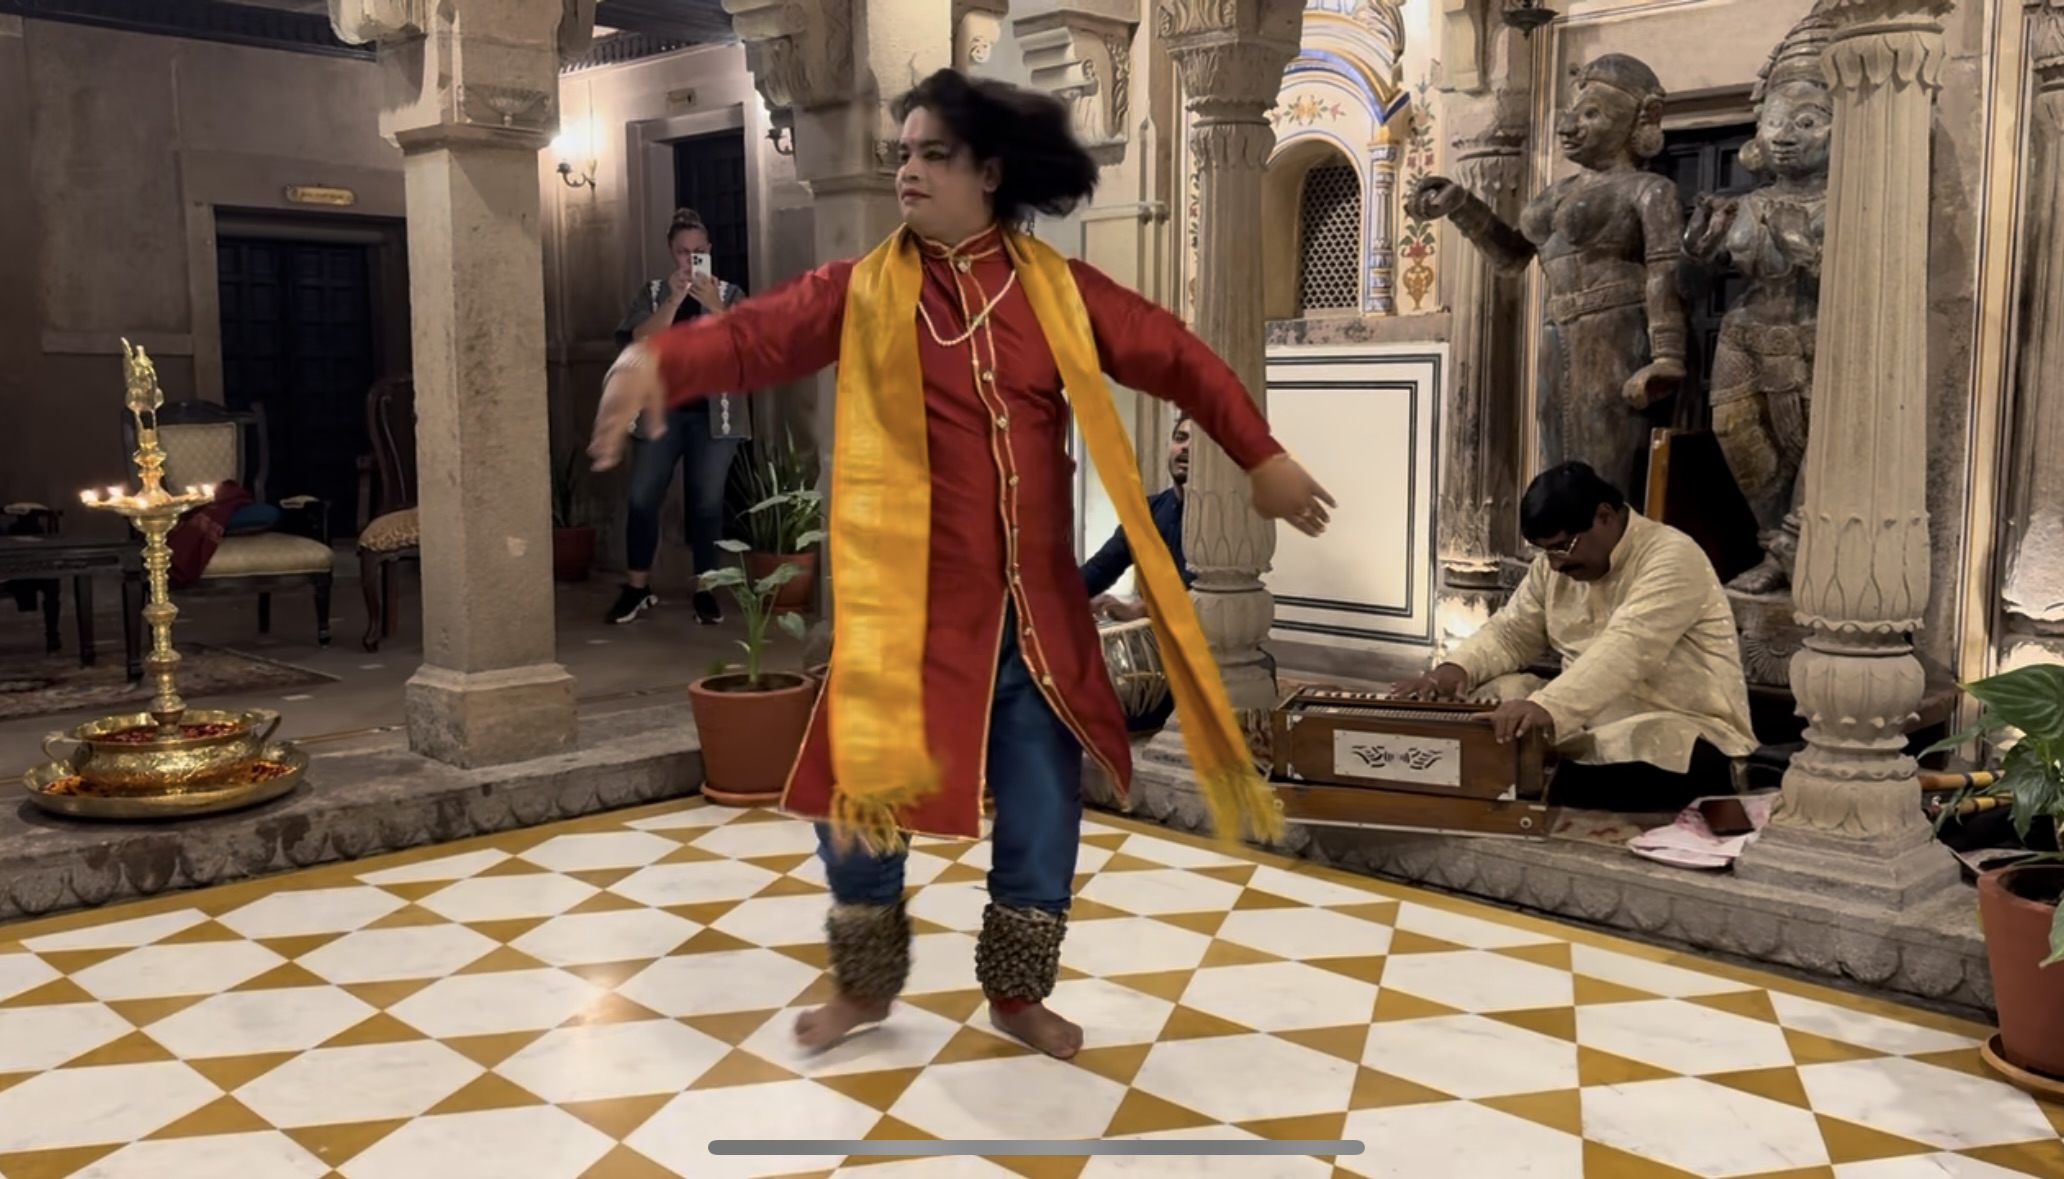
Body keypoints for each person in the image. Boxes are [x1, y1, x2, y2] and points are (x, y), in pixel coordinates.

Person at [589, 69, 1334, 1060]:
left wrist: (1262, 455)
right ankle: (864, 984)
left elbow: (1176, 355)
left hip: (1038, 623)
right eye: (903, 152)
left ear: (989, 171)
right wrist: (659, 361)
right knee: (857, 809)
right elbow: (759, 334)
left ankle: (1017, 995)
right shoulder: (862, 292)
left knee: (1041, 812)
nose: (909, 170)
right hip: (911, 622)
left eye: (933, 153)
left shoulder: (1060, 292)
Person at [1391, 462, 1756, 812]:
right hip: (1584, 721)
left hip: (1674, 723)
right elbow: (1511, 634)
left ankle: (1526, 774)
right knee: (1493, 694)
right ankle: (1527, 772)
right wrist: (1454, 669)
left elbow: (1627, 649)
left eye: (1562, 547)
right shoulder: (1553, 567)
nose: (1554, 564)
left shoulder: (1671, 556)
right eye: (1545, 551)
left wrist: (1547, 707)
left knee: (1658, 747)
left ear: (1604, 517)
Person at [605, 208, 749, 627]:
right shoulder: (653, 293)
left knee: (706, 505)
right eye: (683, 252)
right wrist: (673, 300)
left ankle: (706, 591)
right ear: (672, 253)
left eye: (697, 252)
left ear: (709, 251)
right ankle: (637, 588)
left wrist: (714, 307)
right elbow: (637, 340)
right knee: (642, 499)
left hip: (714, 416)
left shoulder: (731, 293)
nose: (690, 260)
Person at [1083, 412, 1191, 624]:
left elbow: (1201, 590)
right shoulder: (1148, 511)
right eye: (1180, 438)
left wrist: (1139, 609)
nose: (1185, 447)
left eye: (1198, 443)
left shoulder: (1224, 518)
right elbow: (1102, 566)